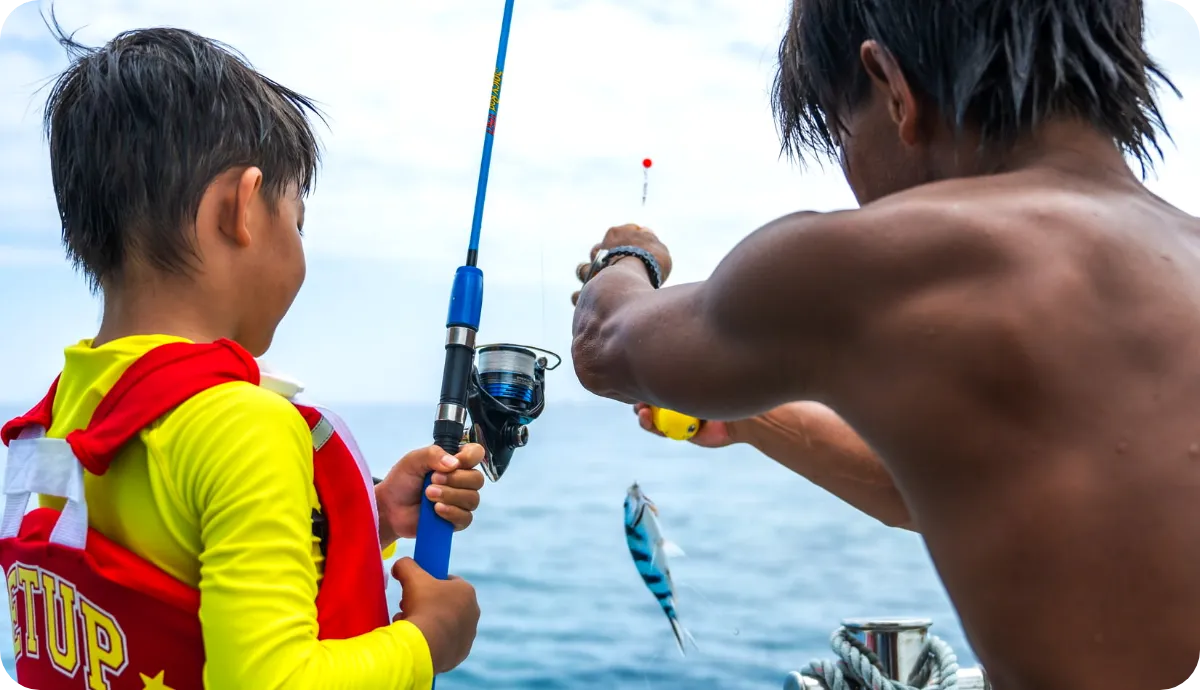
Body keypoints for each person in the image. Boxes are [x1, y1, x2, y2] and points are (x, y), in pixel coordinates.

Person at [569, 1, 1200, 688]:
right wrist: (755, 422)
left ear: (891, 87)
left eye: (841, 132)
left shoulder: (899, 257)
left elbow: (605, 343)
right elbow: (961, 489)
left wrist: (627, 258)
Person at [0, 23, 481, 690]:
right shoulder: (242, 426)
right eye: (298, 220)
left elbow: (167, 557)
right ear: (243, 207)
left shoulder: (63, 418)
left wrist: (362, 520)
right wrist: (429, 640)